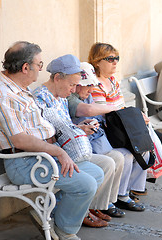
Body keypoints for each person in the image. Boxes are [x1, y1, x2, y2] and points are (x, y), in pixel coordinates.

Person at [0, 41, 103, 240]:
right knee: (86, 185)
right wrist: (59, 152)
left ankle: (48, 216)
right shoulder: (4, 95)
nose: (40, 69)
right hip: (24, 162)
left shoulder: (18, 88)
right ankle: (65, 232)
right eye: (39, 65)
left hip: (41, 157)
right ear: (25, 68)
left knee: (96, 173)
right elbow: (19, 140)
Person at [32, 54, 126, 228]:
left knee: (106, 164)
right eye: (72, 84)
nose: (74, 90)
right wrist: (75, 131)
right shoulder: (40, 98)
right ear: (58, 78)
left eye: (76, 85)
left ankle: (75, 210)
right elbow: (46, 137)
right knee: (99, 169)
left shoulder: (60, 96)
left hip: (68, 151)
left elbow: (64, 127)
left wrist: (80, 127)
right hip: (54, 157)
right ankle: (64, 215)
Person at [88, 42, 155, 210]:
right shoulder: (94, 84)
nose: (115, 62)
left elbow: (121, 108)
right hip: (107, 130)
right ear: (97, 62)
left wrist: (137, 118)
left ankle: (131, 189)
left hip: (120, 126)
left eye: (116, 58)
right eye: (110, 59)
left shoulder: (112, 81)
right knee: (127, 153)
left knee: (147, 144)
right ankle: (121, 194)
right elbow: (107, 113)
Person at [68, 62, 128, 218]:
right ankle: (93, 206)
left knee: (119, 157)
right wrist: (114, 109)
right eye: (87, 85)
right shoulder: (70, 97)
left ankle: (104, 203)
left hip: (92, 142)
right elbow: (86, 111)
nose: (90, 89)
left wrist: (94, 122)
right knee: (110, 161)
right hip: (78, 148)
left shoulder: (86, 95)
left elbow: (93, 111)